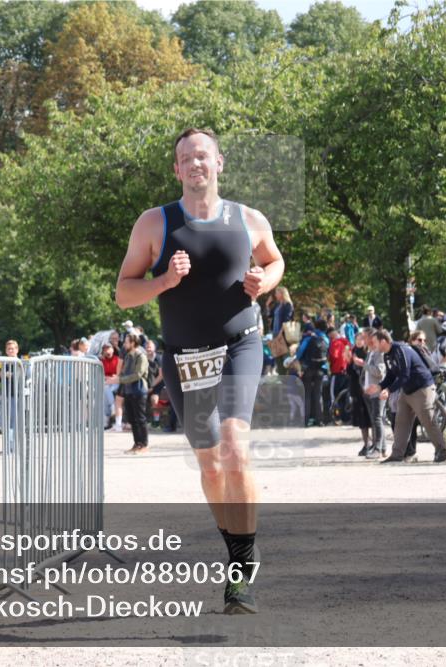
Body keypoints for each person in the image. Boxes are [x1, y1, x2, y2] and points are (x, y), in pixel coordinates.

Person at [114, 127, 285, 614]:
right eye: (186, 158)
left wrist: (263, 280)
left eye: (203, 156)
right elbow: (124, 292)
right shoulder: (155, 223)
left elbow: (275, 261)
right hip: (184, 356)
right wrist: (165, 281)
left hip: (239, 346)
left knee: (234, 446)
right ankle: (236, 550)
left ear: (219, 163)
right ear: (176, 169)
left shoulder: (248, 218)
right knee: (210, 464)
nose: (195, 164)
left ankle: (242, 569)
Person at [369, 329, 446, 463]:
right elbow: (391, 375)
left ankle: (443, 452)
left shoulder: (401, 350)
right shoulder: (387, 355)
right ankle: (397, 455)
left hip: (422, 388)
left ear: (383, 341)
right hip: (407, 390)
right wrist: (380, 386)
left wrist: (389, 390)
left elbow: (405, 374)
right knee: (401, 422)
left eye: (375, 342)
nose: (373, 345)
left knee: (428, 421)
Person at [117, 333, 150, 454]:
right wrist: (115, 378)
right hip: (129, 391)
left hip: (139, 391)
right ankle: (137, 444)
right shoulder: (127, 356)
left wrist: (119, 380)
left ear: (133, 343)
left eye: (126, 342)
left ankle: (144, 445)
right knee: (132, 420)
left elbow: (138, 375)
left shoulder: (141, 356)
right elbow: (125, 373)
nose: (124, 344)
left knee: (140, 419)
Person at [361, 328, 389, 458]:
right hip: (369, 392)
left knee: (377, 419)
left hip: (378, 392)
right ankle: (381, 448)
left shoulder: (379, 354)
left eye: (365, 337)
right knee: (375, 419)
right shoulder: (370, 353)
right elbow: (366, 374)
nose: (363, 340)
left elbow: (379, 372)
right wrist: (363, 386)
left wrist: (363, 364)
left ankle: (378, 449)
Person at [296, 320, 329, 426]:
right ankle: (319, 420)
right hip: (320, 369)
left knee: (307, 394)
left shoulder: (309, 338)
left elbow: (299, 353)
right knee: (318, 394)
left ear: (316, 327)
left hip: (308, 369)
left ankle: (305, 421)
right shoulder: (326, 339)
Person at [345, 332, 373, 457]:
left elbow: (371, 370)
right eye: (357, 339)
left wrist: (361, 364)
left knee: (371, 417)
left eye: (361, 339)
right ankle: (366, 443)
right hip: (356, 388)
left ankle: (375, 444)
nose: (359, 341)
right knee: (361, 418)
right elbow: (349, 372)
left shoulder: (369, 353)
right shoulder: (353, 351)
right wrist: (349, 361)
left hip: (367, 388)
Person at [0, 340, 21, 453]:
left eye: (13, 348)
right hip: (5, 396)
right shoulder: (5, 363)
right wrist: (4, 374)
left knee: (13, 423)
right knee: (3, 421)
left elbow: (19, 377)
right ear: (6, 351)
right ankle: (9, 447)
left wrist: (7, 375)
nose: (11, 350)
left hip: (15, 396)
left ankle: (12, 447)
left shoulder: (20, 363)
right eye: (9, 349)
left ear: (17, 350)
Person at [100, 343, 120, 430]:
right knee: (105, 391)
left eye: (108, 349)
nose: (107, 351)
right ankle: (112, 406)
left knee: (105, 390)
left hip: (116, 382)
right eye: (105, 349)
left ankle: (106, 419)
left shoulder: (117, 359)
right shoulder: (101, 361)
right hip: (106, 382)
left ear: (113, 349)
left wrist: (112, 378)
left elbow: (119, 374)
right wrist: (106, 378)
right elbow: (100, 374)